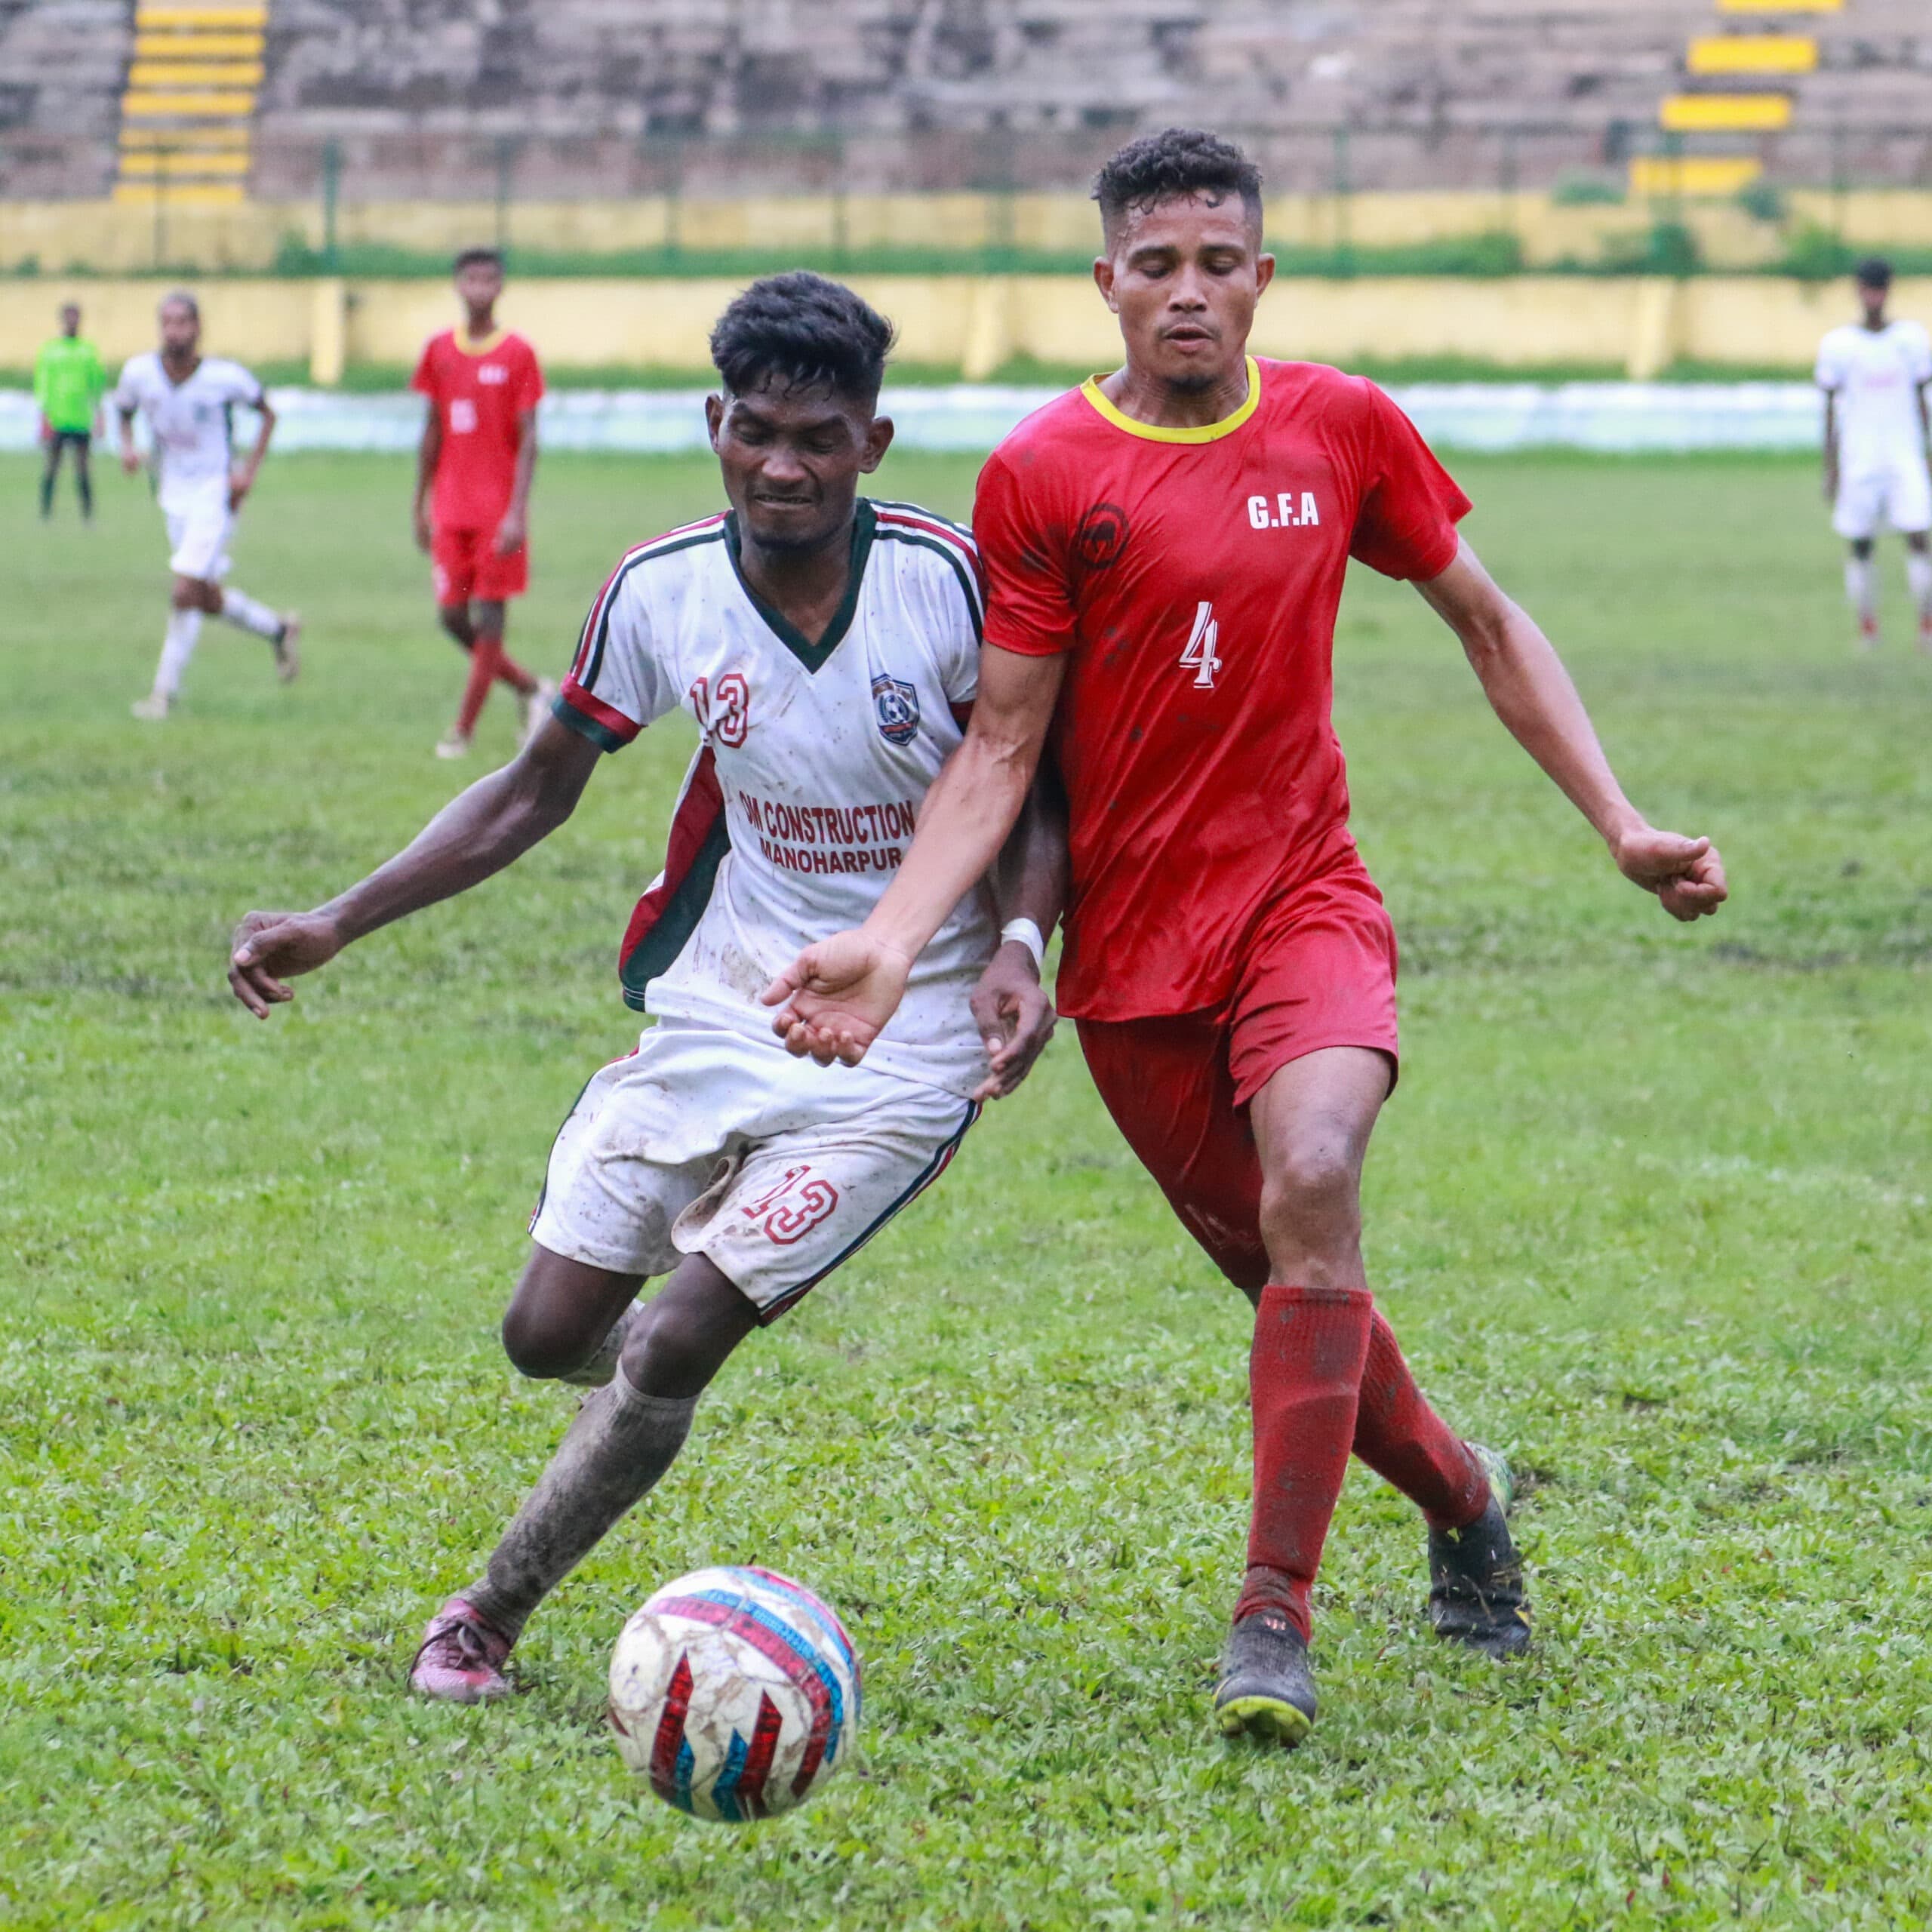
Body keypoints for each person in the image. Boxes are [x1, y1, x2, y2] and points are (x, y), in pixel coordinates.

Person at [765, 130, 1730, 1748]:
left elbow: (1487, 623)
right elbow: (1001, 748)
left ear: (1260, 278)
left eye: (1219, 263)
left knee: (1313, 1179)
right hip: (1134, 961)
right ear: (1107, 285)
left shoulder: (1338, 424)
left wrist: (1618, 822)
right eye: (1156, 266)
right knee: (1288, 1278)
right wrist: (891, 937)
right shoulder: (1042, 474)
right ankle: (1460, 1491)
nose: (1189, 292)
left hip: (1305, 898)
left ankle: (1269, 1613)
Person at [225, 272, 1065, 1703]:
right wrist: (339, 921)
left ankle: (482, 1617)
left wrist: (1019, 945)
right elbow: (531, 791)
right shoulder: (662, 591)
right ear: (713, 423)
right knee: (545, 1337)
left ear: (874, 438)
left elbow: (1028, 783)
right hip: (726, 995)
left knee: (676, 1330)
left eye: (816, 437)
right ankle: (655, 1393)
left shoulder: (946, 576)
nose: (780, 466)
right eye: (753, 432)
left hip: (909, 1039)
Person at [114, 291, 300, 720]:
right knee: (201, 593)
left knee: (184, 590)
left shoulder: (224, 377)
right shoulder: (139, 373)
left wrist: (246, 474)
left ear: (198, 328)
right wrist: (127, 447)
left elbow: (268, 413)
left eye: (183, 322)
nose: (174, 330)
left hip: (215, 492)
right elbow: (123, 410)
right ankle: (278, 629)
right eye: (168, 322)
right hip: (171, 494)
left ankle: (163, 695)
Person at [412, 247, 555, 759]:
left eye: (488, 279)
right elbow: (430, 431)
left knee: (491, 620)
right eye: (470, 278)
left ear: (500, 287)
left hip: (498, 513)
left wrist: (517, 511)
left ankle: (462, 730)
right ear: (456, 284)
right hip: (451, 510)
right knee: (451, 618)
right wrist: (419, 504)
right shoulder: (438, 351)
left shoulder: (518, 354)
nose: (479, 288)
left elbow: (530, 437)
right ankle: (533, 690)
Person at [1817, 257, 1932, 652]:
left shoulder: (1911, 340)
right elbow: (1829, 408)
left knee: (1918, 537)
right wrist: (1830, 466)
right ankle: (1868, 628)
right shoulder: (1838, 345)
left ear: (1889, 290)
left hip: (1904, 456)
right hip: (1859, 459)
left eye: (1880, 288)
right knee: (1861, 544)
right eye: (1868, 288)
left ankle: (1926, 627)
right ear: (1857, 290)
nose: (1874, 296)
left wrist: (1929, 450)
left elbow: (1922, 399)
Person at [35, 301, 107, 521]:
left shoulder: (88, 350)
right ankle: (45, 512)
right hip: (57, 417)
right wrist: (44, 415)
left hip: (81, 418)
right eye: (69, 317)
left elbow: (97, 384)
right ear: (62, 320)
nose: (72, 322)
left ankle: (88, 514)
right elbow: (42, 384)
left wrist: (99, 414)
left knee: (83, 469)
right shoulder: (50, 350)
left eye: (76, 317)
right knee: (52, 467)